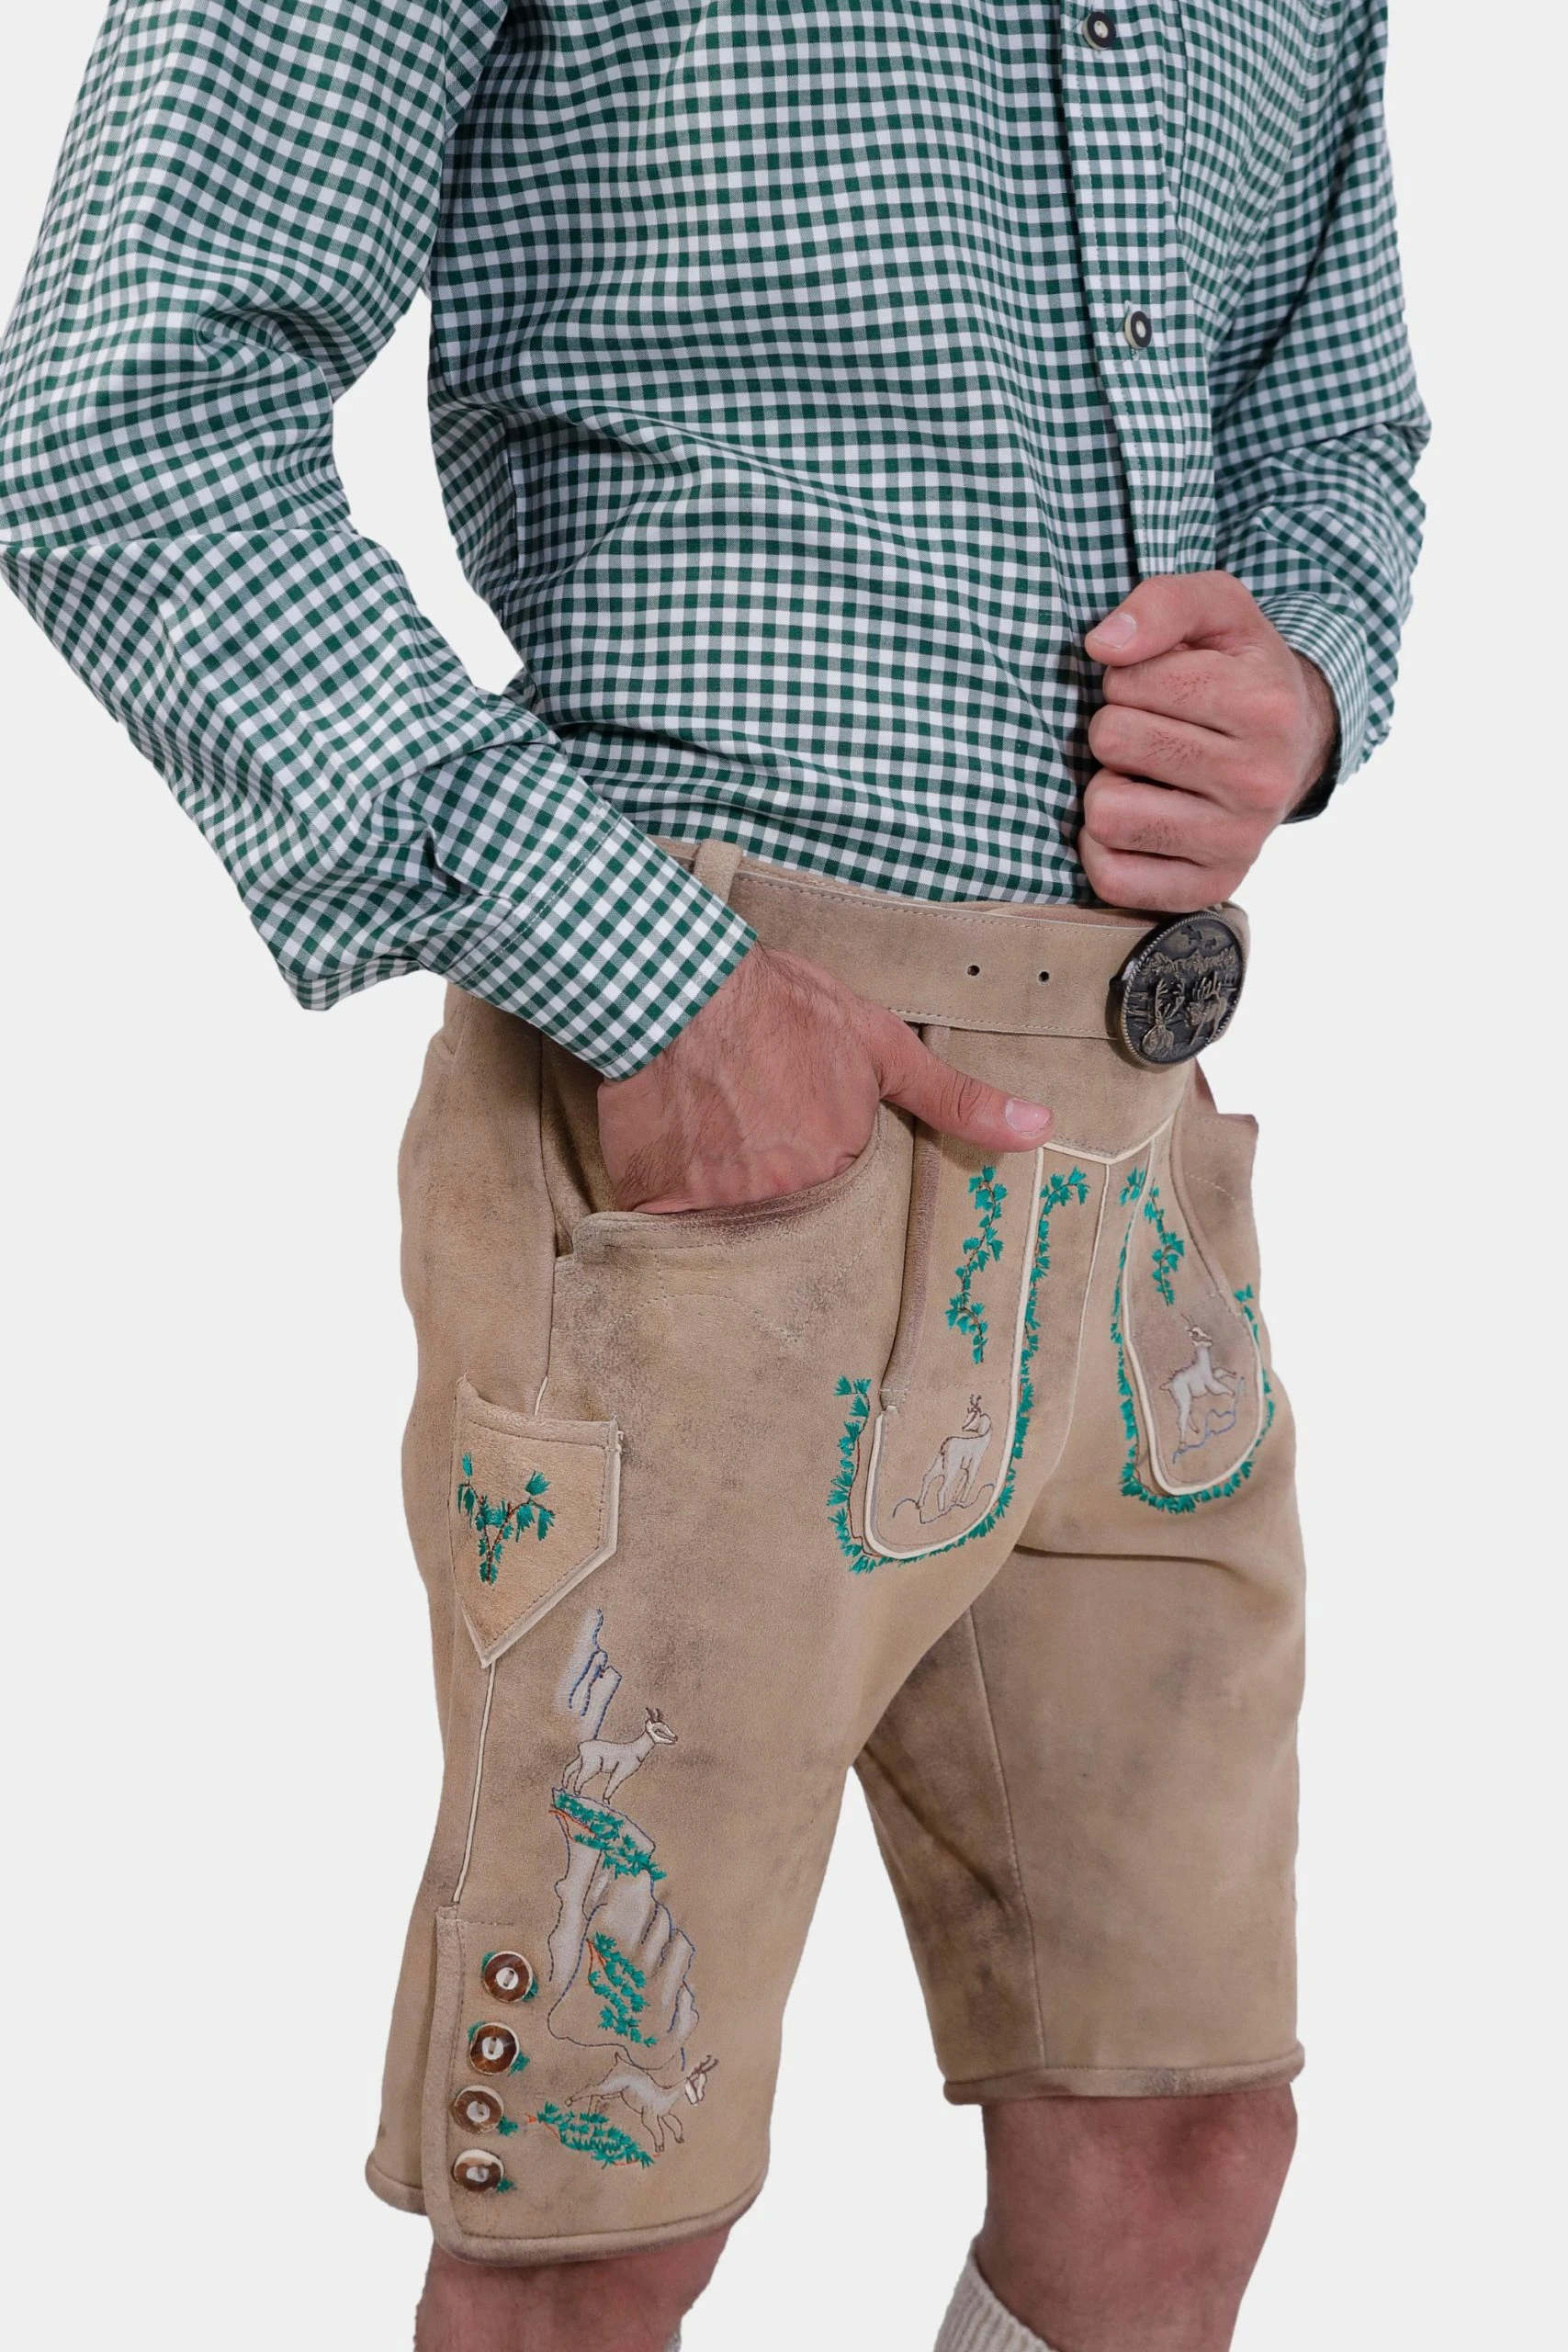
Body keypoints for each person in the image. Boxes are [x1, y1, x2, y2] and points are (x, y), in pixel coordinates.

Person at [0, 4, 1427, 2346]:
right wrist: (656, 988)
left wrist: (1306, 675)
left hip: (1133, 1173)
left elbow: (1329, 415)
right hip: (712, 1142)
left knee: (1180, 2132)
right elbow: (119, 413)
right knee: (600, 2220)